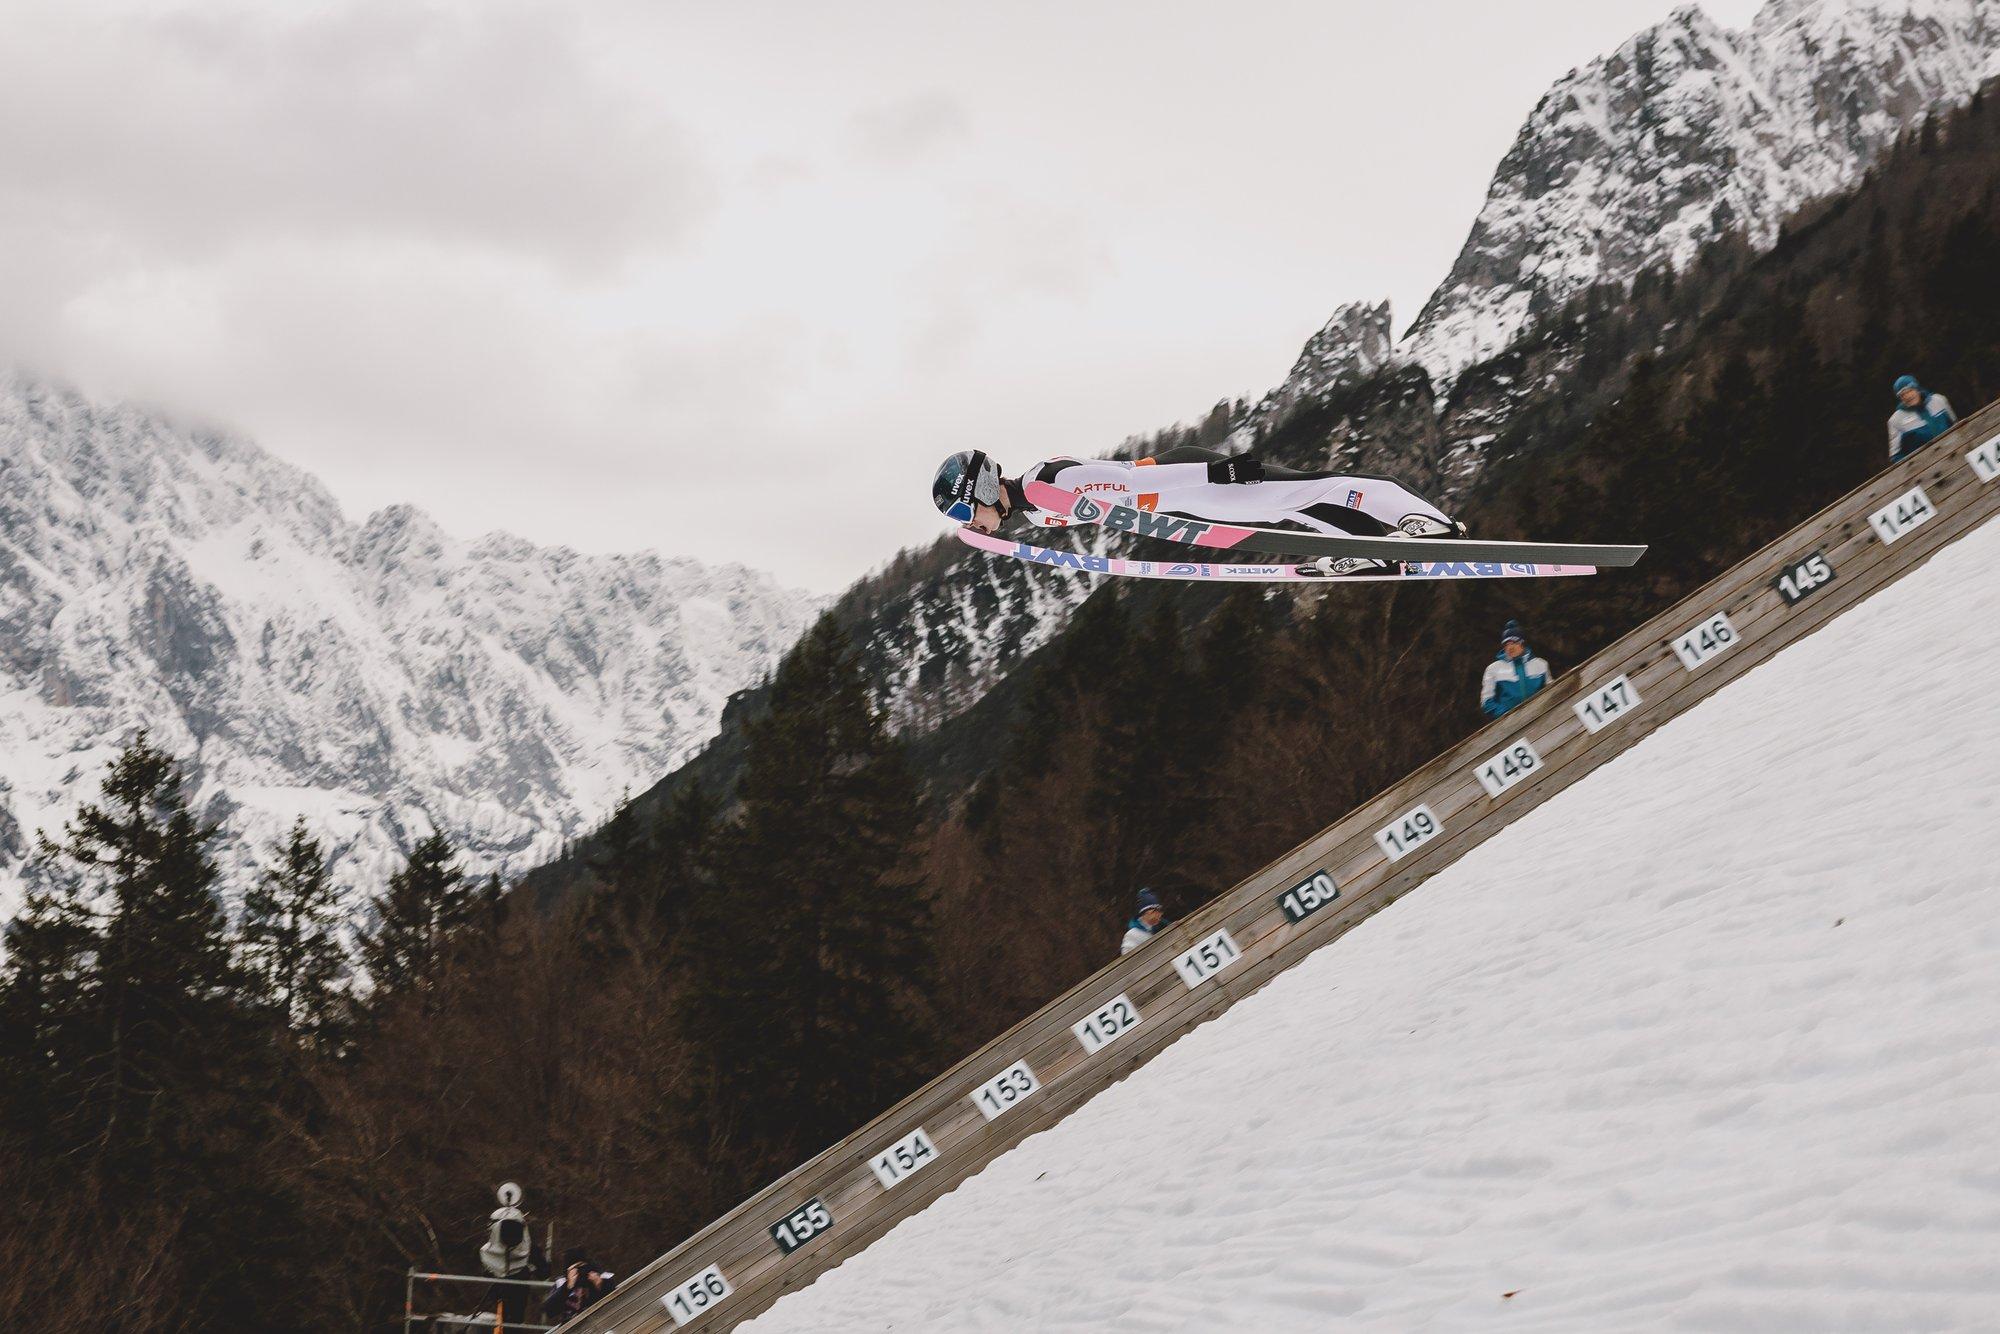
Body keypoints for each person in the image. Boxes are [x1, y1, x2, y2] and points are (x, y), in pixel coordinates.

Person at [932, 446, 1466, 576]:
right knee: (1292, 509)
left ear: (977, 487)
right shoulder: (1035, 510)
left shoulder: (1049, 482)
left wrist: (1218, 473)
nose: (967, 523)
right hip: (1188, 499)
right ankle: (1368, 551)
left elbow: (1134, 481)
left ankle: (1429, 524)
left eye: (963, 512)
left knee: (1314, 488)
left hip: (1186, 479)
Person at [1480, 620, 1550, 719]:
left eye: (1514, 643)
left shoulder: (1540, 664)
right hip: (1510, 725)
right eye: (1506, 644)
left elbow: (1551, 691)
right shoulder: (1493, 669)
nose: (1510, 647)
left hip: (1540, 717)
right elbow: (1486, 702)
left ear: (1522, 643)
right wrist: (1507, 715)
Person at [1887, 374, 1955, 462]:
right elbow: (1895, 456)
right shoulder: (1896, 420)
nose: (1908, 396)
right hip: (1927, 466)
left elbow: (1955, 426)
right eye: (1902, 395)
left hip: (1953, 452)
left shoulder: (1938, 400)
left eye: (1910, 391)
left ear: (1917, 388)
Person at [543, 1247, 617, 1322]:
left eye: (582, 1266)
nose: (580, 1270)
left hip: (602, 1320)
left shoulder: (599, 1276)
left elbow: (616, 1299)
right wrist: (568, 1287)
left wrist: (601, 1285)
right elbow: (550, 1311)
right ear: (568, 1270)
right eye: (576, 1268)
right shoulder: (562, 1282)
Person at [1120, 889, 1166, 955]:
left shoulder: (1160, 927)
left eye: (1159, 911)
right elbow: (1128, 961)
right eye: (1155, 911)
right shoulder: (1132, 935)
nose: (1159, 914)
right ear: (1145, 913)